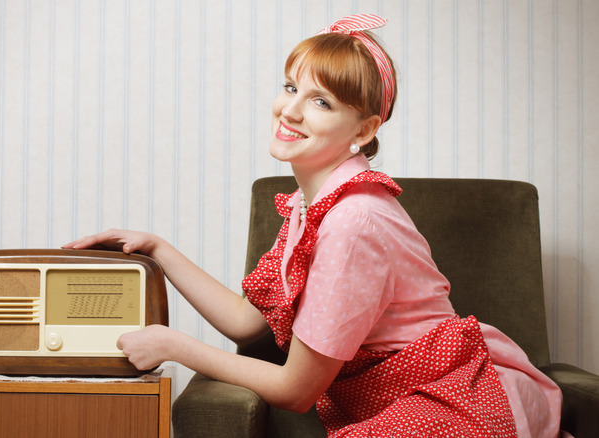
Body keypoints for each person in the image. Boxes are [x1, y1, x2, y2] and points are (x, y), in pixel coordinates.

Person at [64, 14, 563, 437]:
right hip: (396, 395)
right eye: (290, 87)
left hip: (456, 398)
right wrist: (156, 248)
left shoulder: (354, 221)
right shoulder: (313, 205)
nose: (290, 109)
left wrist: (176, 346)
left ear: (365, 129)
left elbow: (297, 390)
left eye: (321, 101)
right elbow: (248, 322)